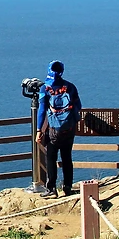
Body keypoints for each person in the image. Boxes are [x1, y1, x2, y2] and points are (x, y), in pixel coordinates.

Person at [36, 60, 81, 197]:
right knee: (67, 158)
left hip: (54, 129)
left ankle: (52, 189)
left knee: (51, 158)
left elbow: (42, 111)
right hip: (69, 128)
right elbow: (78, 106)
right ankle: (67, 187)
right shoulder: (70, 86)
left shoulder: (45, 88)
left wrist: (39, 130)